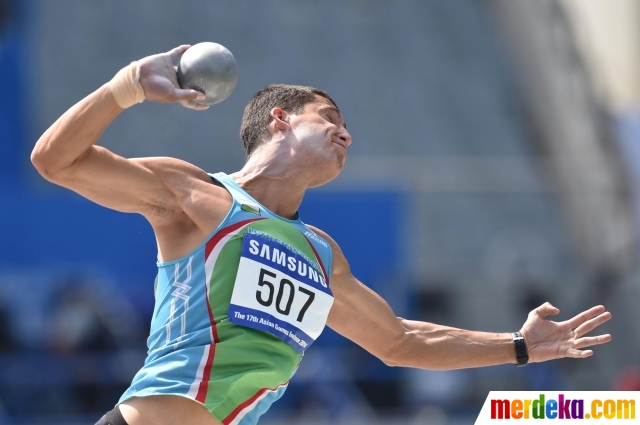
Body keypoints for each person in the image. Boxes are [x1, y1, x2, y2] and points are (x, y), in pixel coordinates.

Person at [31, 45, 612, 425]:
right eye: (329, 118)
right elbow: (57, 161)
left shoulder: (320, 254)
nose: (346, 135)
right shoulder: (196, 195)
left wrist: (518, 346)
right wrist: (128, 85)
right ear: (280, 120)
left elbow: (400, 341)